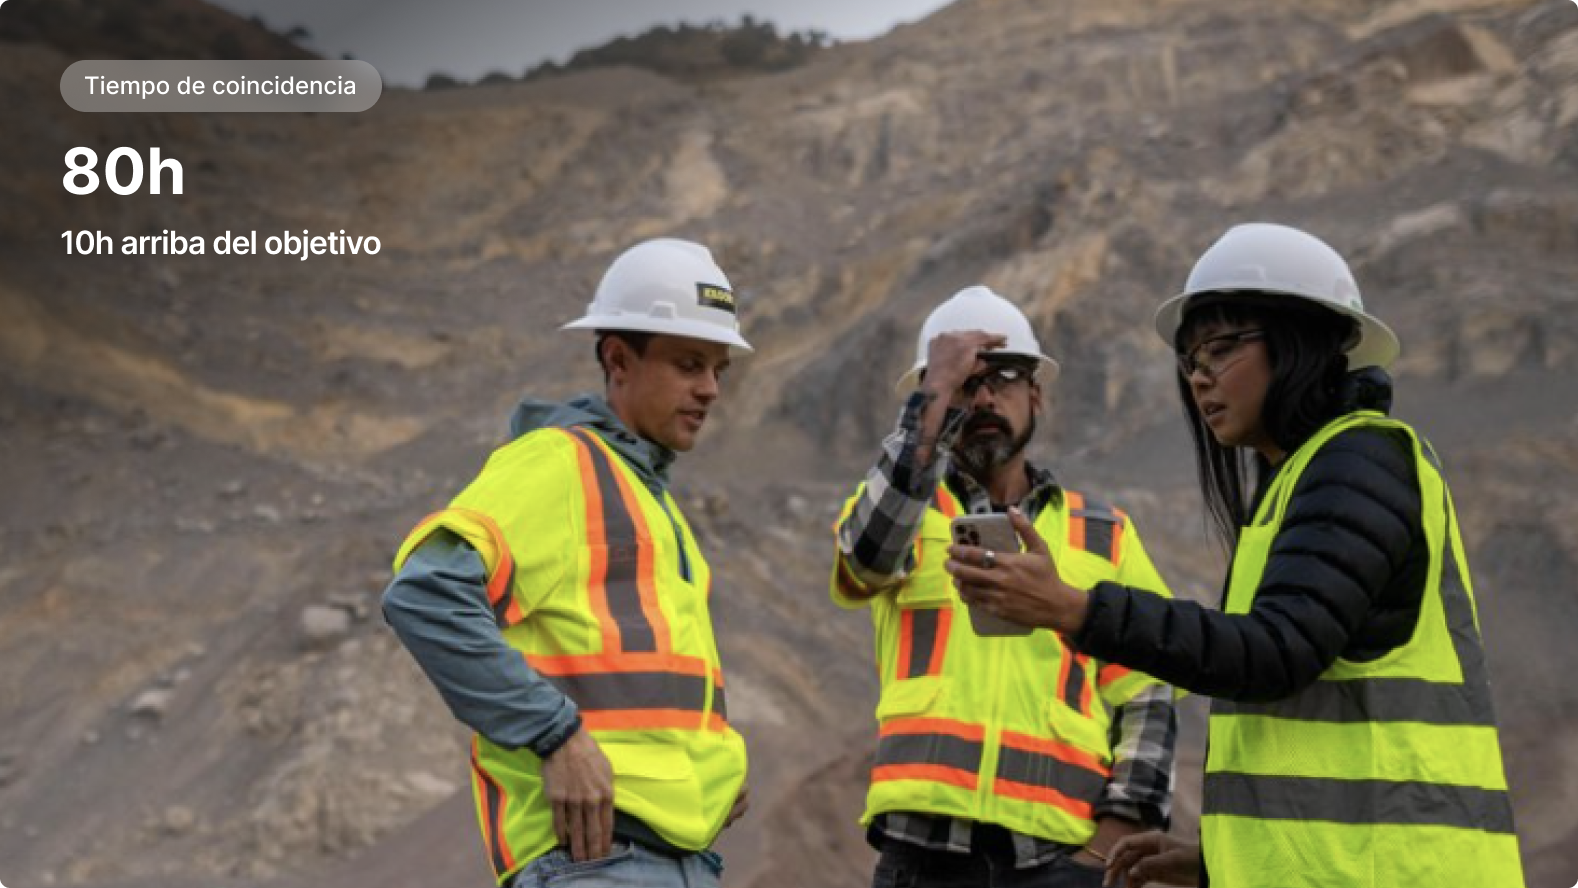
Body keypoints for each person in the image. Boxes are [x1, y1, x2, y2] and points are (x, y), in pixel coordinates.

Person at [946, 224, 1525, 888]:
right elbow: (1305, 721)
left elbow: (1274, 653)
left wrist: (1076, 609)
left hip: (1401, 870)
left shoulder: (1359, 464)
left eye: (1221, 348)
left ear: (1299, 342)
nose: (1199, 377)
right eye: (1191, 359)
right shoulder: (1299, 484)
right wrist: (1224, 854)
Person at [383, 238, 751, 888]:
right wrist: (556, 736)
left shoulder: (649, 500)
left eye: (718, 368)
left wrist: (714, 771)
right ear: (617, 360)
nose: (710, 389)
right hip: (598, 863)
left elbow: (645, 689)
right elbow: (425, 594)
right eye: (690, 364)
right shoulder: (559, 463)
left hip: (678, 863)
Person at [831, 285, 1179, 888]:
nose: (985, 397)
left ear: (1037, 394)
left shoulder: (1106, 535)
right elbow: (865, 558)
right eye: (966, 383)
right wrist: (929, 404)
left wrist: (1115, 836)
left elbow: (1148, 689)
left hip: (1059, 858)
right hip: (922, 854)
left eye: (1006, 378)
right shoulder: (904, 514)